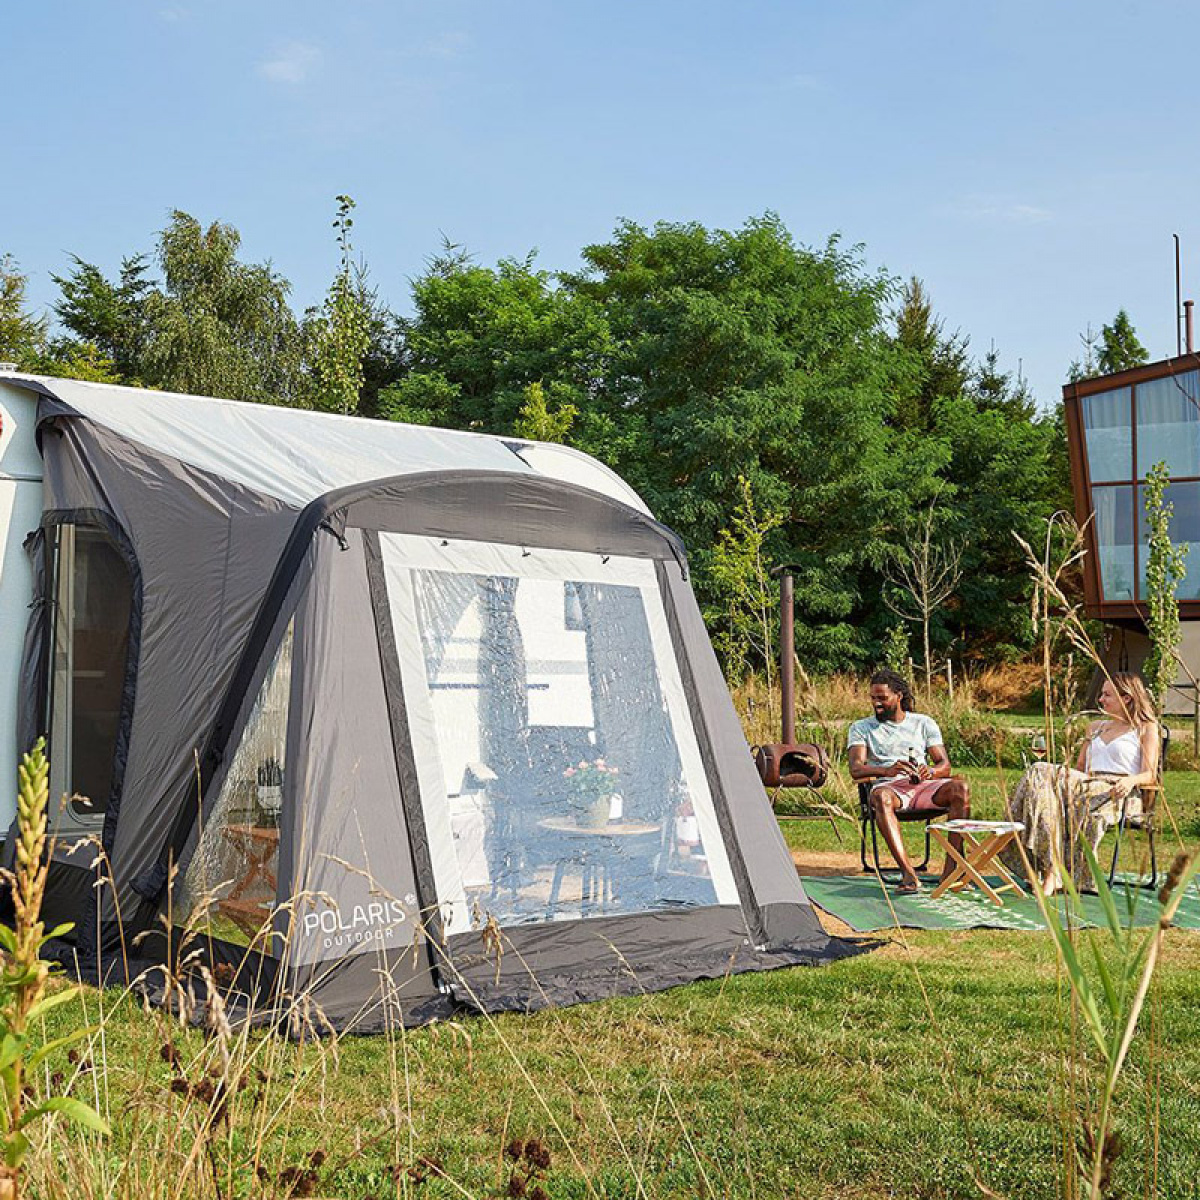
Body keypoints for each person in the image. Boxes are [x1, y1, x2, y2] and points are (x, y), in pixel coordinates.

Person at [1004, 672, 1160, 895]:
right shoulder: (1095, 727)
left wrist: (1130, 780)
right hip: (1085, 786)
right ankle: (1052, 867)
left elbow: (1150, 774)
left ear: (1126, 698)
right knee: (1042, 787)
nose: (1101, 699)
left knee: (1039, 770)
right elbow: (1079, 768)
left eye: (1107, 695)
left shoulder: (1146, 727)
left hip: (1119, 792)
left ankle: (1035, 855)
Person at [847, 670, 970, 894]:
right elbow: (856, 768)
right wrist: (887, 770)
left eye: (882, 698)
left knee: (960, 787)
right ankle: (908, 873)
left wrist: (930, 771)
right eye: (873, 698)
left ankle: (951, 870)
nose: (876, 703)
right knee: (880, 796)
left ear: (899, 696)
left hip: (923, 786)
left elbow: (944, 765)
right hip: (891, 789)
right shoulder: (861, 728)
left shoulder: (924, 723)